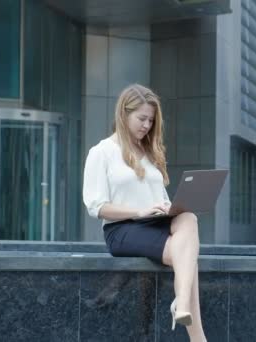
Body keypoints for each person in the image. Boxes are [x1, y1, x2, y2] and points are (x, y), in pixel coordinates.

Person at [83, 84, 207, 341]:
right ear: (123, 114)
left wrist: (166, 208)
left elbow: (158, 198)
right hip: (123, 230)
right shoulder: (102, 152)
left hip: (154, 224)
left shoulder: (150, 153)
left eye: (151, 120)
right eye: (142, 118)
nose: (147, 125)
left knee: (188, 217)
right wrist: (139, 212)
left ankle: (182, 303)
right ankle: (196, 333)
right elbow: (96, 206)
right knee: (186, 256)